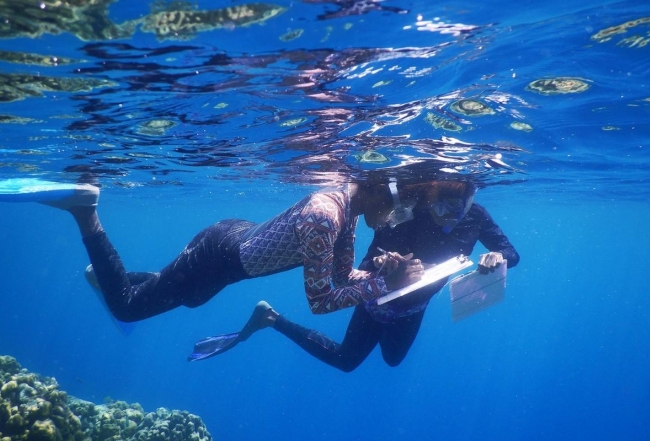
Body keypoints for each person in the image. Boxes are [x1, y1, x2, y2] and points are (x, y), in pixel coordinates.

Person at [193, 180, 519, 371]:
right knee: (347, 360)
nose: (444, 216)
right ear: (431, 193)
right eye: (440, 205)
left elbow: (511, 253)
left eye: (454, 210)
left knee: (392, 361)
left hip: (414, 307)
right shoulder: (411, 205)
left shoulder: (477, 217)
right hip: (377, 295)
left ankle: (271, 319)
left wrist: (496, 257)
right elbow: (375, 244)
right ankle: (271, 318)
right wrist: (385, 261)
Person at [47, 179, 428, 323]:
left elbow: (343, 277)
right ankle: (86, 213)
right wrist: (383, 287)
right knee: (128, 308)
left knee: (191, 296)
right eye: (399, 208)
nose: (398, 219)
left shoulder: (349, 207)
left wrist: (382, 274)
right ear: (380, 189)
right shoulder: (327, 217)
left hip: (230, 252)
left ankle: (128, 278)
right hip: (220, 256)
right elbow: (320, 300)